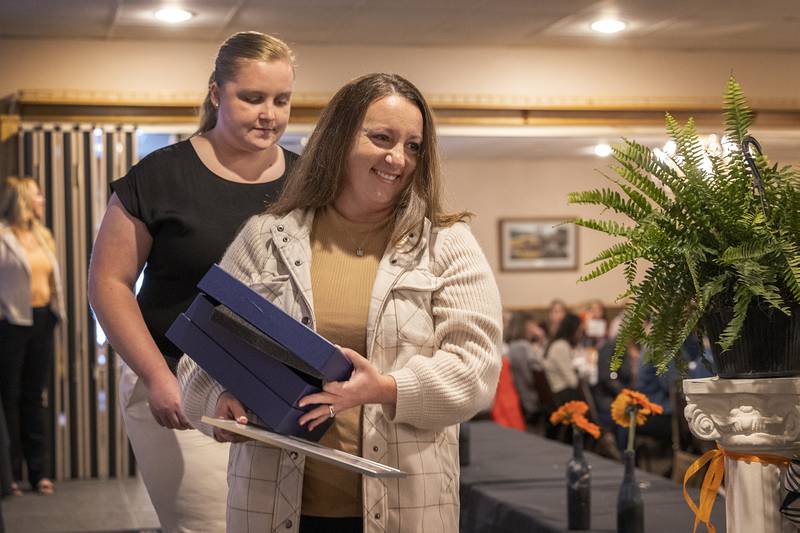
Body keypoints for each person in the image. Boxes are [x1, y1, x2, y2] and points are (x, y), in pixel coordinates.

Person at [179, 73, 503, 533]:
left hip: (405, 508)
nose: (398, 158)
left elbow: (476, 369)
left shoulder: (447, 245)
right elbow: (201, 354)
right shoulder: (265, 238)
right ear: (338, 139)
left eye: (413, 146)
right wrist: (219, 399)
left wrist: (386, 388)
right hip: (271, 505)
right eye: (382, 138)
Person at [87, 31, 299, 532]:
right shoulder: (160, 175)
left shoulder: (307, 180)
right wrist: (159, 377)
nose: (269, 113)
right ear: (216, 93)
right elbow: (109, 285)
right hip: (176, 381)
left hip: (274, 391)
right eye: (252, 97)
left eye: (281, 100)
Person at [0, 176, 66, 496]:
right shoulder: (2, 236)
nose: (42, 199)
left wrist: (55, 312)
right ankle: (10, 475)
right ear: (23, 199)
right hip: (11, 323)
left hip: (42, 319)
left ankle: (38, 472)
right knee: (8, 397)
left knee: (34, 396)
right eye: (38, 195)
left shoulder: (43, 235)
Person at [542, 312, 582, 439]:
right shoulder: (561, 346)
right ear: (573, 330)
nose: (580, 334)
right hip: (561, 396)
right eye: (579, 330)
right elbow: (572, 381)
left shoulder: (558, 344)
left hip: (557, 393)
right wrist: (576, 371)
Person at [505, 312, 546, 425]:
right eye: (532, 325)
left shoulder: (515, 345)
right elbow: (531, 378)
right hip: (530, 400)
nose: (535, 329)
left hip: (525, 398)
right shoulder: (522, 346)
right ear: (523, 327)